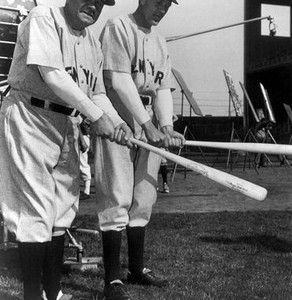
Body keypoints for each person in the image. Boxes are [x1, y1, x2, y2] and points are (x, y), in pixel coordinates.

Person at [0, 1, 132, 299]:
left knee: (62, 208)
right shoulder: (43, 16)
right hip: (30, 113)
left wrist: (117, 123)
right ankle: (34, 295)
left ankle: (53, 292)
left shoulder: (91, 42)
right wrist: (96, 117)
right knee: (35, 207)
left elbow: (96, 92)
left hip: (67, 120)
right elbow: (52, 75)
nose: (95, 5)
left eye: (101, 2)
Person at [93, 0, 185, 299]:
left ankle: (136, 268)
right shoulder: (117, 26)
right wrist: (148, 126)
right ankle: (112, 280)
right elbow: (119, 80)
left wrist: (167, 126)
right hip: (119, 117)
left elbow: (161, 89)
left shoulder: (159, 41)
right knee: (117, 193)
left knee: (144, 196)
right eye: (157, 2)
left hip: (149, 121)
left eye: (167, 5)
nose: (162, 9)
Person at [79, 118, 92, 200]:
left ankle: (87, 191)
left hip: (82, 138)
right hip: (81, 137)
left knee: (83, 164)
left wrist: (82, 141)